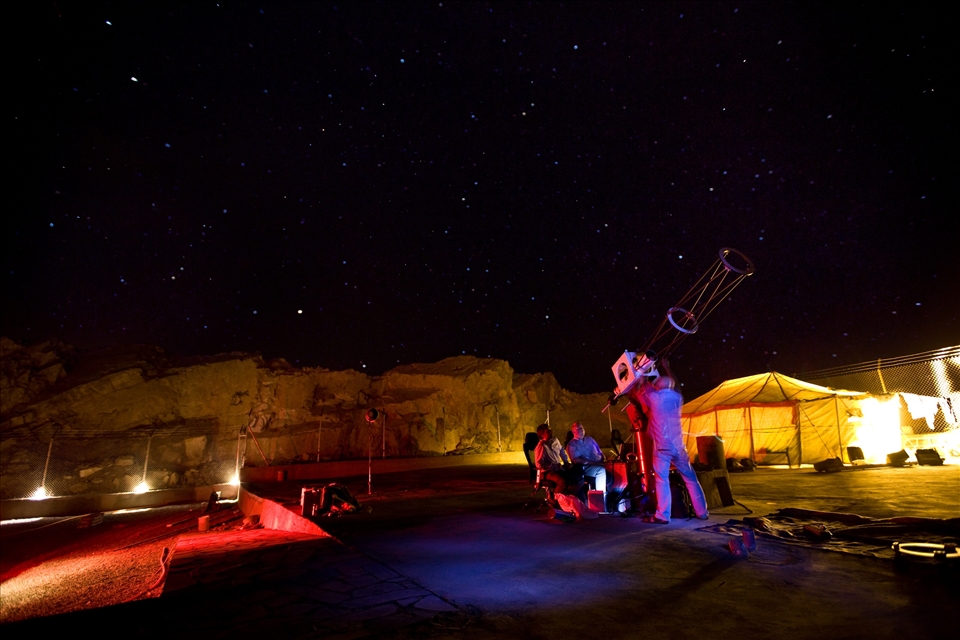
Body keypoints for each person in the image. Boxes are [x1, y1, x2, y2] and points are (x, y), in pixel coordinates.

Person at [626, 358, 708, 524]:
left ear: (659, 386)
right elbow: (676, 384)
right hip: (679, 447)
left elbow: (638, 389)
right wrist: (667, 368)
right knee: (691, 479)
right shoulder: (678, 398)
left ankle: (663, 515)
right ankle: (702, 513)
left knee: (662, 480)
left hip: (663, 448)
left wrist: (639, 374)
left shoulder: (655, 397)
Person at [534, 423, 576, 495]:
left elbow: (561, 451)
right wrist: (551, 466)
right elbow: (538, 464)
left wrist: (566, 462)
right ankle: (554, 498)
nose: (551, 431)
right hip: (547, 472)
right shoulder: (541, 446)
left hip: (558, 468)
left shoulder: (555, 440)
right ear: (542, 434)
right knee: (562, 482)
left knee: (574, 476)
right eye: (548, 430)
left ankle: (567, 499)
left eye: (550, 429)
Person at [566, 421, 607, 493]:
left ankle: (614, 494)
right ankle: (600, 496)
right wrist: (595, 463)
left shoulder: (590, 439)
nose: (581, 430)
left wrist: (604, 458)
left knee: (615, 467)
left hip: (599, 463)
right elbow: (577, 461)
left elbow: (599, 451)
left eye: (581, 428)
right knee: (601, 470)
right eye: (578, 428)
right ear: (573, 432)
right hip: (585, 467)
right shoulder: (572, 444)